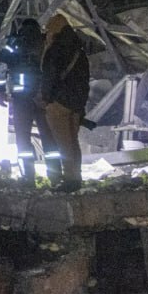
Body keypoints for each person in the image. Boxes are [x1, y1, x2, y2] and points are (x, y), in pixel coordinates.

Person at [0, 18, 56, 185]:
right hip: (43, 97)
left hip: (21, 98)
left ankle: (28, 178)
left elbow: (1, 68)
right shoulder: (45, 42)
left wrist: (0, 91)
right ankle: (56, 176)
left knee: (23, 139)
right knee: (49, 138)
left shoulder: (13, 43)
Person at [41, 14, 90, 192]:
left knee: (63, 144)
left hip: (59, 102)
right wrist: (81, 104)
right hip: (76, 104)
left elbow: (49, 76)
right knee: (73, 143)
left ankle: (70, 180)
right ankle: (76, 177)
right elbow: (85, 79)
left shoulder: (55, 49)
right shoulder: (79, 50)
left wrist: (46, 99)